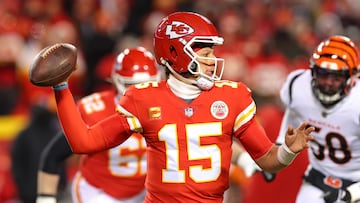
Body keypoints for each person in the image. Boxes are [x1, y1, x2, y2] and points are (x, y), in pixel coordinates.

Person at [44, 12, 314, 202]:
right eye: (206, 53)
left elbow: (268, 160)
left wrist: (288, 151)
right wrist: (61, 89)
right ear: (176, 53)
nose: (213, 61)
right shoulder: (143, 98)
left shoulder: (234, 96)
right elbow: (84, 142)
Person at [36, 47, 161, 203]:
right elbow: (55, 154)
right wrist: (45, 198)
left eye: (146, 85)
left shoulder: (166, 106)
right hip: (99, 192)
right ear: (115, 82)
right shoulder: (95, 110)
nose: (139, 93)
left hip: (144, 192)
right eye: (131, 85)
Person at [276, 35, 360, 203]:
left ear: (352, 78)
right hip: (318, 177)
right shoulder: (298, 85)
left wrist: (352, 193)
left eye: (336, 77)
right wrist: (280, 146)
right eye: (323, 74)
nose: (328, 83)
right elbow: (293, 111)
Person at [10, 95, 67, 203]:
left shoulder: (53, 134)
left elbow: (60, 161)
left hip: (44, 191)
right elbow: (17, 163)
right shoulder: (25, 135)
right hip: (35, 192)